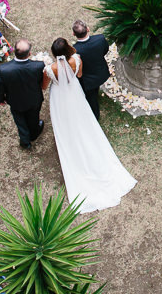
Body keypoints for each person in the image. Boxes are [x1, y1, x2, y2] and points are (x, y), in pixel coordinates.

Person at [43, 38, 137, 212]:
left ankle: (68, 137)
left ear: (54, 53)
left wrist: (49, 70)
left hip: (59, 97)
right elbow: (79, 76)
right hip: (75, 92)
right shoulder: (77, 59)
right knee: (83, 116)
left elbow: (44, 86)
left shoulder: (49, 69)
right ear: (68, 49)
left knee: (63, 121)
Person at [0, 39, 45, 149]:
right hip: (33, 100)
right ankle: (33, 134)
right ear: (29, 54)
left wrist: (0, 99)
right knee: (33, 118)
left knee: (20, 121)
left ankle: (25, 141)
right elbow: (41, 82)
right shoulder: (38, 66)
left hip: (15, 101)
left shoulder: (4, 69)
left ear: (14, 52)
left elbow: (0, 86)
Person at [73, 20, 111, 121]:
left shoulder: (75, 50)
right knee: (95, 90)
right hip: (101, 73)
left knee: (92, 99)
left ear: (73, 34)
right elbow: (105, 50)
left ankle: (95, 117)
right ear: (88, 29)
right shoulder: (100, 39)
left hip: (88, 80)